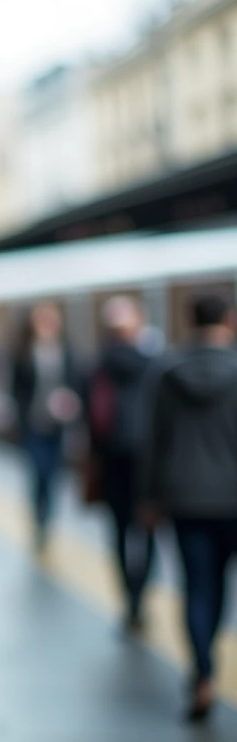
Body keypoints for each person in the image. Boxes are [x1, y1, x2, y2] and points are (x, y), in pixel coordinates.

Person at [141, 293, 237, 723]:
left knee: (197, 585)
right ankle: (208, 661)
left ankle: (202, 672)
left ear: (187, 320)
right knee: (221, 586)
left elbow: (152, 440)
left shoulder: (165, 370)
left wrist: (148, 497)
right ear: (229, 320)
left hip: (183, 496)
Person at [86, 296, 157, 633]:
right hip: (146, 459)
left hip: (111, 458)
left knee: (118, 532)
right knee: (148, 532)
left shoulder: (99, 365)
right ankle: (140, 596)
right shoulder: (152, 363)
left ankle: (128, 597)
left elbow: (90, 417)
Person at [11, 301, 81, 552]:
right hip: (33, 423)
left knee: (53, 474)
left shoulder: (66, 350)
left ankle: (48, 518)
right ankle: (38, 516)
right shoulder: (25, 351)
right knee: (38, 472)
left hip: (58, 424)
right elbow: (16, 388)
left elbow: (76, 381)